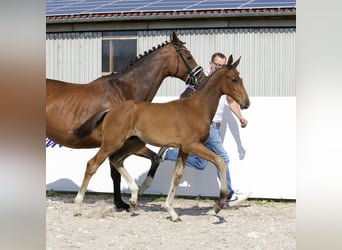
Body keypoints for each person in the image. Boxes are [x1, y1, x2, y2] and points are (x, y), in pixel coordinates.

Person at [158, 52, 251, 207]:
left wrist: (240, 117)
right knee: (223, 158)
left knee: (201, 163)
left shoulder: (223, 79)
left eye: (222, 65)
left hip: (214, 126)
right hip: (206, 124)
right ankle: (229, 195)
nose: (220, 68)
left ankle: (167, 154)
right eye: (218, 65)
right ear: (211, 63)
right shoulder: (201, 79)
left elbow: (230, 100)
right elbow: (184, 95)